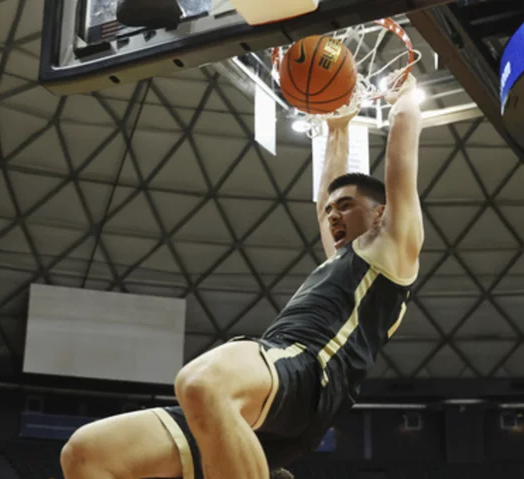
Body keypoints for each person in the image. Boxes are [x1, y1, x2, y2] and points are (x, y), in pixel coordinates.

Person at [60, 74, 424, 478]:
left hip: (310, 373)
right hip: (264, 394)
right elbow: (325, 195)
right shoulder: (342, 258)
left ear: (379, 212)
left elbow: (401, 163)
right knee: (86, 453)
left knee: (203, 382)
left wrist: (404, 100)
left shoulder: (390, 247)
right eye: (330, 211)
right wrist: (336, 129)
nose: (332, 214)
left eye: (346, 206)